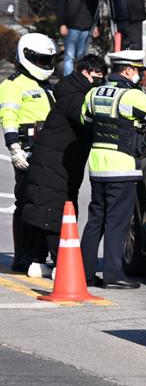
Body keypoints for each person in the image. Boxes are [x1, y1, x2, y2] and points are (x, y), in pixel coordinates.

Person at [80, 50, 146, 289]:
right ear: (127, 70)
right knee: (117, 222)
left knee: (95, 220)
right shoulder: (131, 97)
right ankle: (113, 274)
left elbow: (85, 120)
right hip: (122, 165)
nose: (139, 75)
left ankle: (85, 273)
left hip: (97, 165)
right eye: (138, 70)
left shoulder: (94, 93)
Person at [21, 55, 107, 279]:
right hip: (55, 165)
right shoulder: (75, 96)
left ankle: (38, 261)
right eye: (97, 77)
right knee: (54, 212)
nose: (99, 82)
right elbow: (86, 117)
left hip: (56, 162)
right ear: (85, 72)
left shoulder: (70, 89)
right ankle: (62, 264)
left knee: (46, 210)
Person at [0, 33, 57, 273]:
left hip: (48, 150)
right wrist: (14, 148)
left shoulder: (45, 86)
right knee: (25, 201)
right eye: (41, 60)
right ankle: (22, 256)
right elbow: (8, 117)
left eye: (48, 60)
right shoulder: (12, 85)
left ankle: (38, 254)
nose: (45, 65)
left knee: (44, 203)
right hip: (26, 150)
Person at [56, 0, 99, 77]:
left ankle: (80, 80)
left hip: (86, 26)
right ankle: (68, 81)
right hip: (70, 26)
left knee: (82, 56)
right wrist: (62, 23)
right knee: (69, 56)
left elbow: (95, 8)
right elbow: (60, 6)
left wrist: (96, 26)